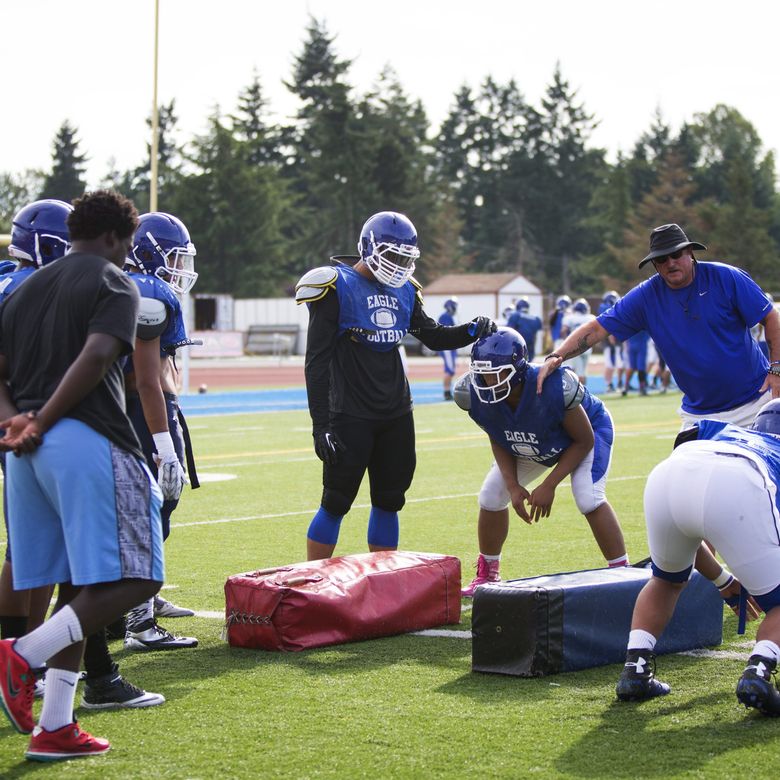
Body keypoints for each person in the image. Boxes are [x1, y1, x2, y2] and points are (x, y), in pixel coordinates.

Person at [0, 190, 165, 761]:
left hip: (25, 453)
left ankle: (56, 725)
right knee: (139, 576)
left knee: (76, 585)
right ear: (122, 237)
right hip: (84, 438)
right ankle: (23, 654)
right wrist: (43, 418)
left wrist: (16, 423)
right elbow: (97, 357)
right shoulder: (116, 281)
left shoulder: (23, 291)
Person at [295, 211, 495, 560]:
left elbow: (432, 336)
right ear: (368, 248)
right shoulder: (334, 286)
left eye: (405, 258)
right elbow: (317, 362)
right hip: (350, 413)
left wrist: (470, 330)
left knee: (389, 500)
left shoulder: (405, 291)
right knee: (336, 501)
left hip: (396, 412)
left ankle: (383, 583)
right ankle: (313, 581)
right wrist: (320, 425)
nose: (399, 265)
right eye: (392, 255)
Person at [615, 400, 780, 714]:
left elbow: (695, 519)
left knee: (664, 580)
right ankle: (758, 672)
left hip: (669, 474)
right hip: (741, 481)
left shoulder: (724, 432)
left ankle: (635, 669)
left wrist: (722, 579)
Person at [537, 223, 780, 428]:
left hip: (755, 402)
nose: (670, 263)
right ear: (654, 264)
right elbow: (598, 328)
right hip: (700, 414)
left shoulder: (726, 277)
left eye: (676, 255)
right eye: (662, 259)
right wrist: (556, 356)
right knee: (688, 484)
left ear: (690, 253)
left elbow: (771, 318)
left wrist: (776, 370)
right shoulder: (646, 296)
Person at [456, 327, 628, 597]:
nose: (487, 381)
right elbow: (498, 435)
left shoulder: (552, 386)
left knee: (588, 497)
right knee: (491, 496)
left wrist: (549, 485)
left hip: (585, 433)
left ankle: (622, 571)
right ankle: (488, 572)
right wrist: (513, 486)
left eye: (495, 373)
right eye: (481, 373)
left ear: (518, 370)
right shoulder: (472, 394)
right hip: (534, 436)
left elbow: (583, 441)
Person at [122, 212, 199, 652]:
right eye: (173, 258)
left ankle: (139, 598)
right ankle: (137, 619)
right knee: (148, 510)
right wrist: (165, 444)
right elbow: (145, 378)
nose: (179, 269)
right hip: (141, 414)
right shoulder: (148, 291)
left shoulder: (137, 287)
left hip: (138, 411)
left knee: (154, 510)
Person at [560, 298, 595, 384]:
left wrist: (567, 340)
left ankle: (580, 393)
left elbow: (563, 330)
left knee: (578, 372)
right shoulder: (590, 317)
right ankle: (585, 390)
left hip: (576, 345)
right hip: (588, 346)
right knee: (584, 370)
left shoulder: (569, 318)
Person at [598, 291, 624, 393]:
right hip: (610, 340)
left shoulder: (604, 307)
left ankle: (615, 383)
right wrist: (610, 336)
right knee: (611, 364)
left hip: (616, 338)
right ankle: (610, 384)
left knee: (618, 363)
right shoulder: (605, 308)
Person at [437, 297, 460, 400]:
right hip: (447, 348)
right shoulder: (445, 316)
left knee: (451, 370)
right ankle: (446, 392)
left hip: (449, 347)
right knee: (450, 371)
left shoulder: (447, 316)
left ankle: (447, 391)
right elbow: (448, 332)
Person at [622, 330, 650, 396]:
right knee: (641, 367)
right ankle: (642, 388)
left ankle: (626, 386)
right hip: (640, 345)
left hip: (631, 345)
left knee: (632, 367)